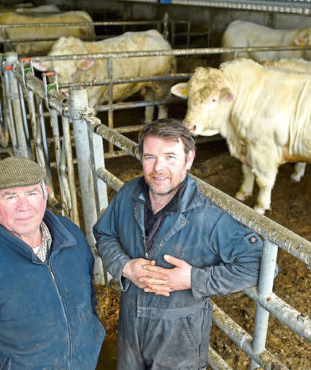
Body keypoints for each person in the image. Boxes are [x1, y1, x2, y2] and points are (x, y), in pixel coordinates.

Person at [92, 118, 264, 369]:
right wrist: (125, 267)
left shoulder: (210, 216)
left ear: (189, 159)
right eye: (150, 157)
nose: (158, 168)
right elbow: (104, 234)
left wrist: (192, 280)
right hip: (130, 326)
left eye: (170, 157)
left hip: (179, 337)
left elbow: (258, 265)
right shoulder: (129, 194)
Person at [0, 156, 105, 369]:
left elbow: (88, 295)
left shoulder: (71, 235)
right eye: (10, 197)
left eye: (32, 193)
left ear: (45, 195)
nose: (24, 207)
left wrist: (92, 335)